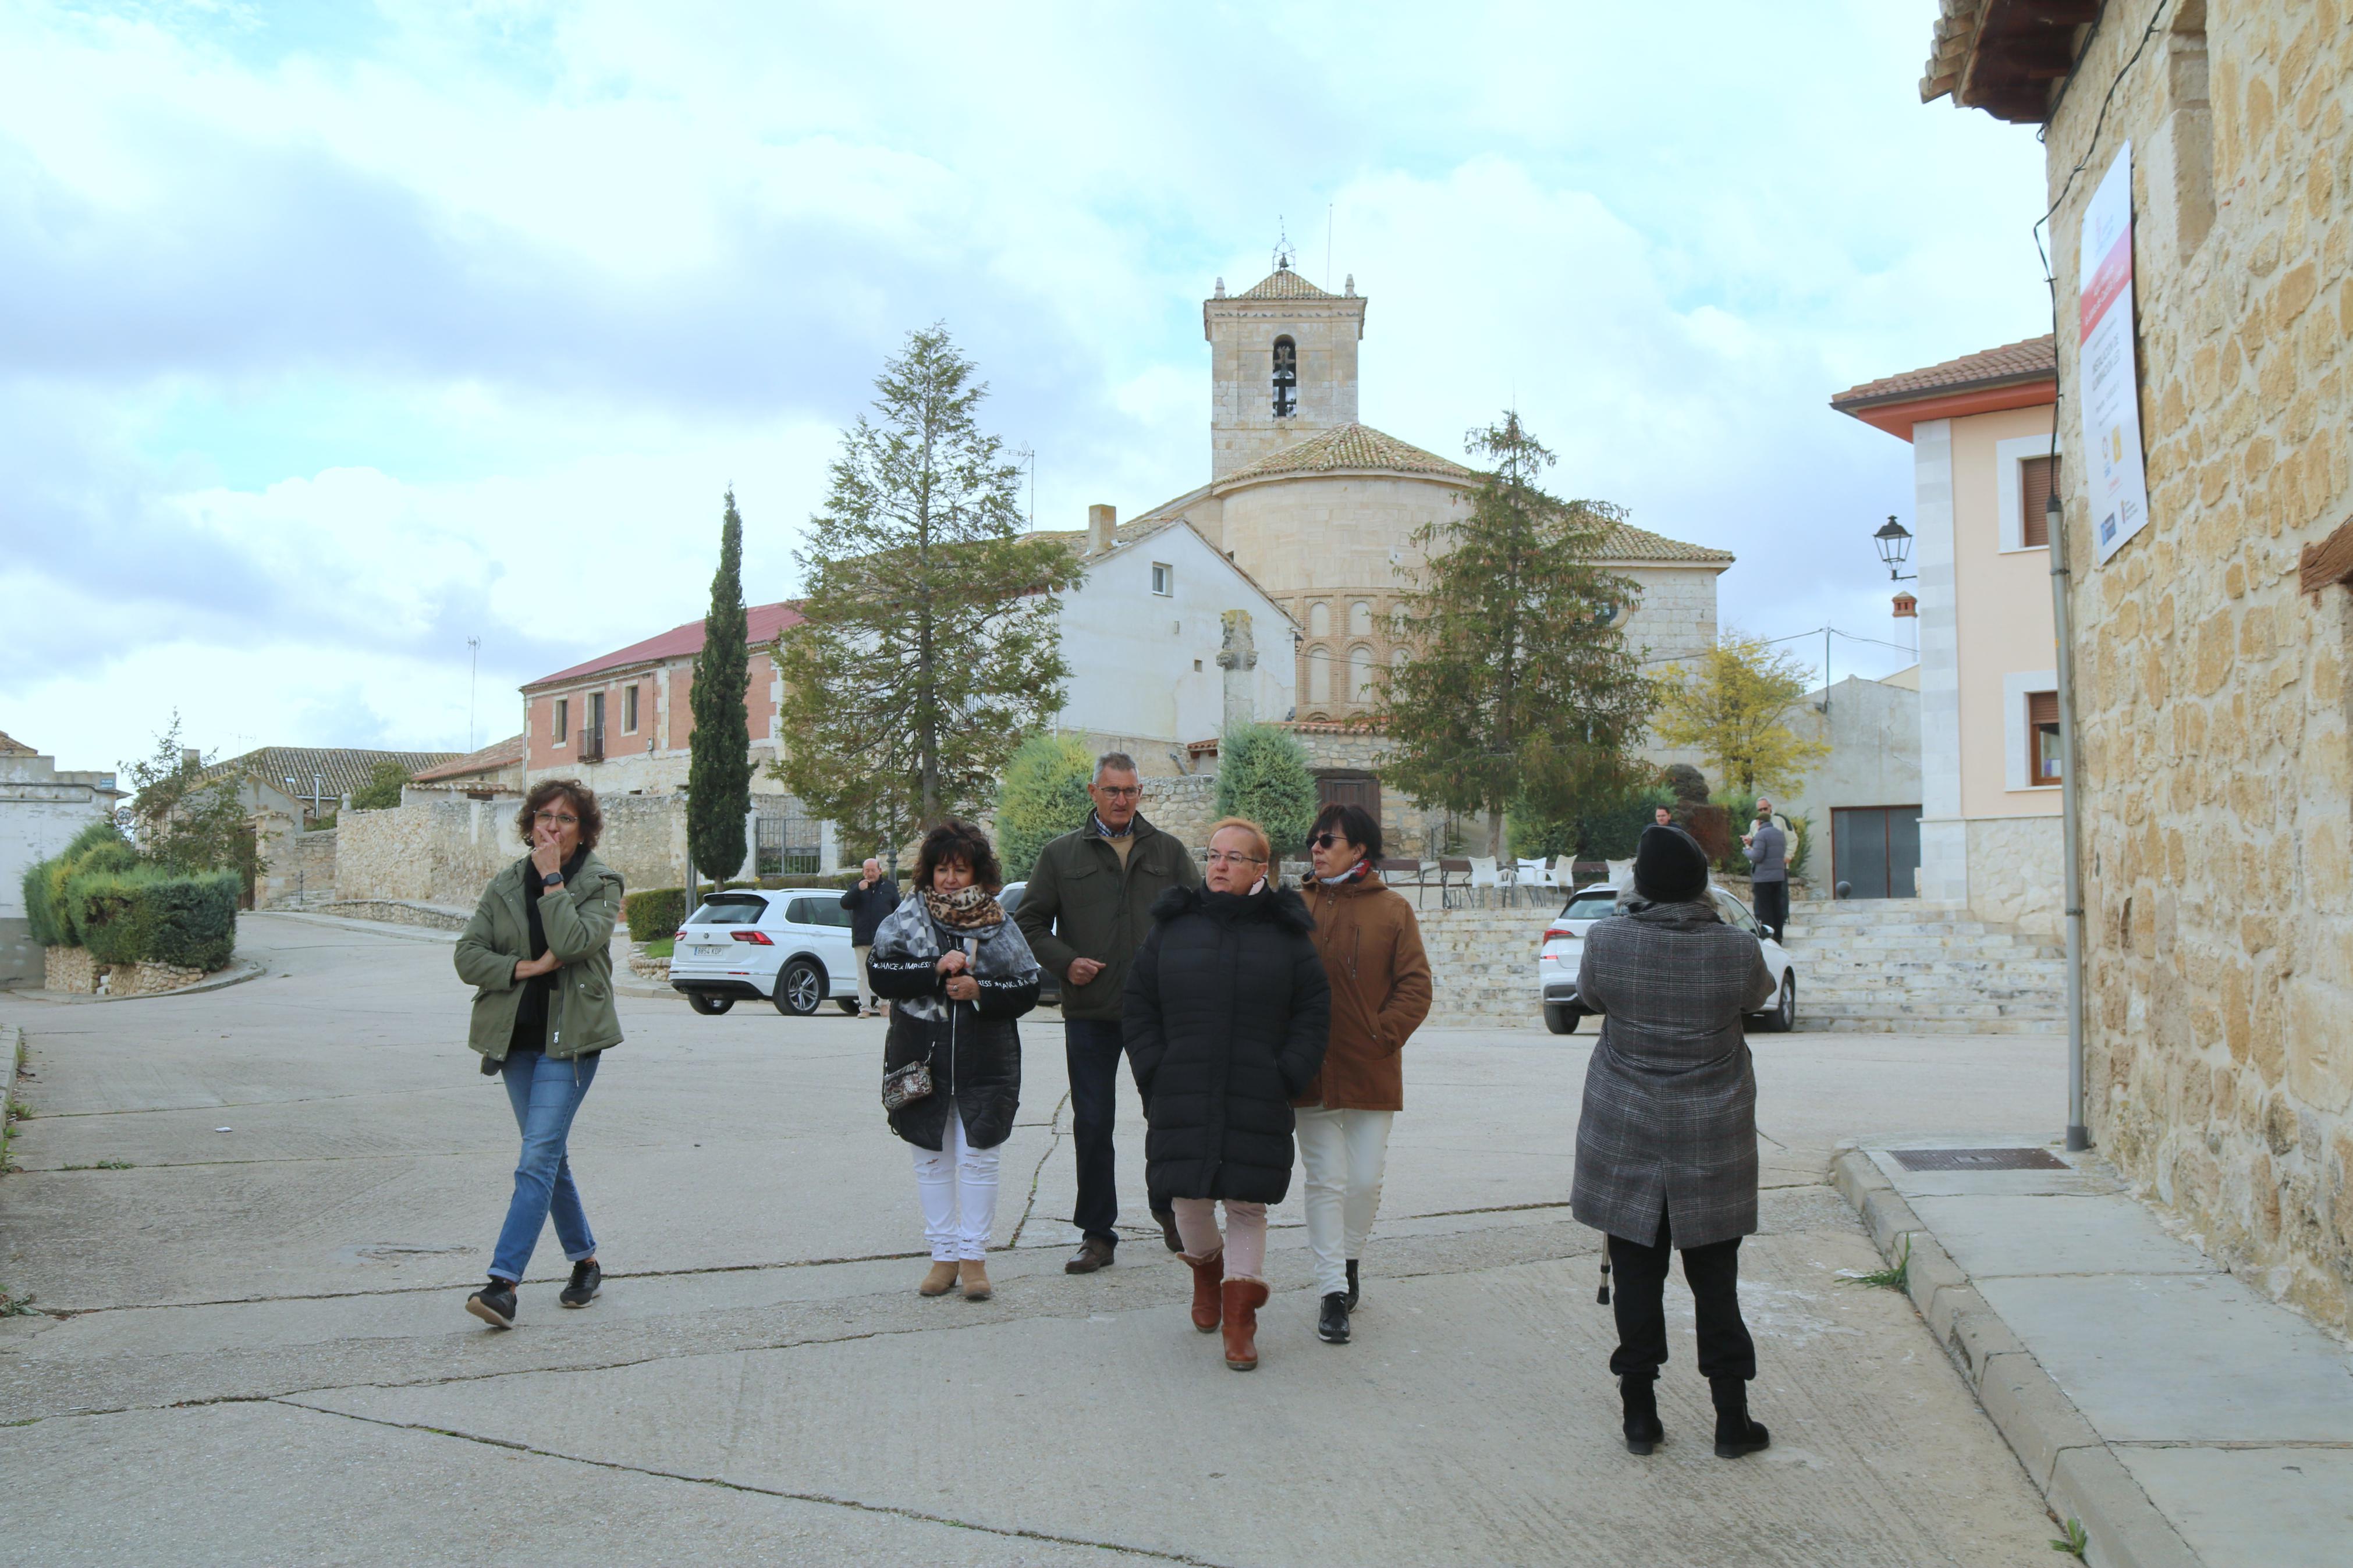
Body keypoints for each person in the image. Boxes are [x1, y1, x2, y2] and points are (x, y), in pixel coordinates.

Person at [1572, 823, 1777, 1459]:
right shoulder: (1733, 949)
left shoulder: (1606, 941)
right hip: (1710, 1136)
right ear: (1699, 883)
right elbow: (1758, 998)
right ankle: (1729, 1419)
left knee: (1635, 1274)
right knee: (1716, 1278)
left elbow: (1587, 997)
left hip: (1624, 1129)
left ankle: (1639, 1415)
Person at [1126, 817, 1329, 1371]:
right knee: (1185, 1196)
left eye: (1234, 858)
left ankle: (1240, 1318)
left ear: (1260, 869)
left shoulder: (1288, 933)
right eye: (1214, 854)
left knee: (1245, 1200)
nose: (1219, 865)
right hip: (1182, 1082)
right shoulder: (1172, 925)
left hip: (1256, 1087)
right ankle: (1206, 1274)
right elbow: (1138, 1000)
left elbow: (1313, 1010)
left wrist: (1288, 1071)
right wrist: (1153, 1064)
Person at [1012, 752, 1201, 1274]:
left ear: (1140, 793)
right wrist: (1065, 962)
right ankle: (1097, 1234)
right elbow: (1027, 922)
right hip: (1090, 1012)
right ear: (1093, 792)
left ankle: (1170, 1209)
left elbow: (1198, 920)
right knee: (1092, 1123)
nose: (1122, 800)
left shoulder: (1168, 851)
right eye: (1112, 790)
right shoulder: (1060, 854)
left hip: (1156, 1013)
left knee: (1167, 1117)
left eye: (1131, 790)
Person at [452, 778, 626, 1329]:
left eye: (567, 818)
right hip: (518, 1044)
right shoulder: (503, 884)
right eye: (545, 816)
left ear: (584, 830)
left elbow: (574, 943)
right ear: (529, 823)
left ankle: (503, 1284)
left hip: (570, 1044)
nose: (553, 826)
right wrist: (525, 968)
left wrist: (552, 880)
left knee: (536, 1159)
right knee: (549, 1159)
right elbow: (467, 955)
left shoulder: (600, 883)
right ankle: (587, 1263)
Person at [868, 820, 1042, 1302]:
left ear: (977, 874)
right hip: (917, 1053)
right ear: (929, 872)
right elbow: (881, 972)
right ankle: (942, 1256)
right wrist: (932, 971)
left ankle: (974, 1259)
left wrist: (980, 989)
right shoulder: (905, 917)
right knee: (930, 1158)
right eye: (942, 868)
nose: (949, 878)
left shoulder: (1000, 924)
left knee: (979, 1158)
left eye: (959, 869)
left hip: (986, 1056)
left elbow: (1027, 986)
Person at [1294, 801, 1431, 1346]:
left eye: (1329, 840)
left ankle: (1350, 1259)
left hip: (1370, 1066)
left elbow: (1415, 986)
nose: (1317, 848)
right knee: (1325, 1179)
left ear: (1359, 850)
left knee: (1365, 1178)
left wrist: (1382, 1034)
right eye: (1314, 839)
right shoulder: (1293, 907)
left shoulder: (1393, 910)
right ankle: (1331, 1290)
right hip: (1308, 1070)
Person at [840, 858, 902, 1018]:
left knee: (884, 972)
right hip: (862, 939)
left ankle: (885, 1005)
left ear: (880, 871)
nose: (870, 873)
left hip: (883, 939)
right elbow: (845, 904)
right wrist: (857, 891)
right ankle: (865, 1008)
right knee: (863, 975)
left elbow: (899, 911)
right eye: (867, 871)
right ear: (863, 872)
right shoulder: (856, 887)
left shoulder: (889, 888)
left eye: (873, 870)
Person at [1742, 801, 1789, 942]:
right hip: (1778, 876)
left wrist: (1746, 851)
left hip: (1763, 878)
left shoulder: (1761, 835)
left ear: (1759, 823)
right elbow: (1774, 851)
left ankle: (1770, 938)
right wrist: (1754, 842)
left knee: (1765, 909)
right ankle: (1779, 936)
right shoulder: (1779, 834)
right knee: (1777, 907)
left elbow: (1757, 856)